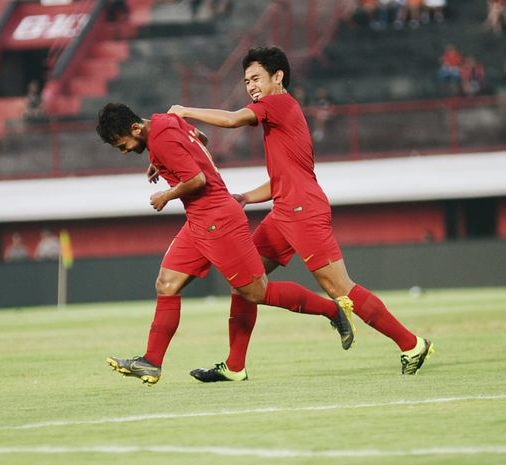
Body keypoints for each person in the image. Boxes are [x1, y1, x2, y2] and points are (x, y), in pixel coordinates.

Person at [168, 46, 434, 377]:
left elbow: (233, 120)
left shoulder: (277, 103)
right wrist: (248, 197)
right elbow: (286, 178)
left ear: (277, 77)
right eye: (247, 81)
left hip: (303, 211)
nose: (251, 86)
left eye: (256, 78)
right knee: (247, 285)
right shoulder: (279, 114)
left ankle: (411, 344)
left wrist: (184, 111)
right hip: (284, 211)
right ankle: (235, 366)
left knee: (341, 289)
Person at [96, 102, 355, 385]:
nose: (124, 151)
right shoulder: (164, 120)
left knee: (256, 292)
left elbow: (198, 179)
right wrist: (162, 161)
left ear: (136, 128)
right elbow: (200, 140)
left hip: (218, 219)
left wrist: (166, 194)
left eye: (123, 145)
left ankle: (334, 310)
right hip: (198, 221)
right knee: (166, 284)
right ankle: (151, 362)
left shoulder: (160, 137)